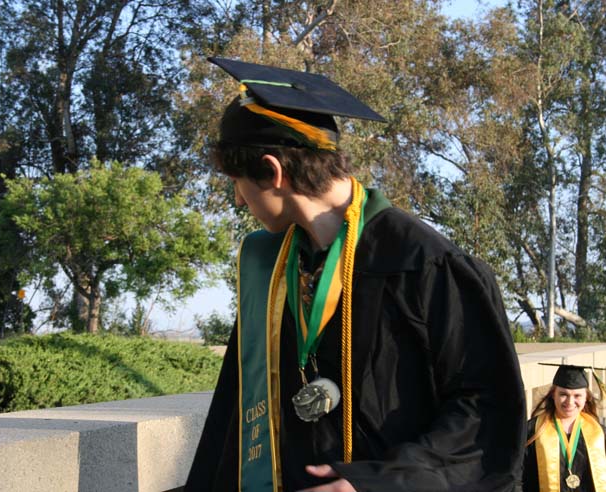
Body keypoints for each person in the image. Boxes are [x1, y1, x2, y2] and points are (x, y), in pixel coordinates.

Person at [184, 56, 527, 492]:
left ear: (272, 172)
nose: (237, 199)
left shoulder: (425, 264)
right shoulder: (269, 270)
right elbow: (233, 420)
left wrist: (375, 483)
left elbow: (486, 414)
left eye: (236, 181)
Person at [522, 364, 606, 491]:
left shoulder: (601, 435)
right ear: (553, 394)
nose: (570, 402)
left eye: (577, 396)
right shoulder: (533, 431)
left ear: (586, 397)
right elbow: (517, 476)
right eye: (563, 394)